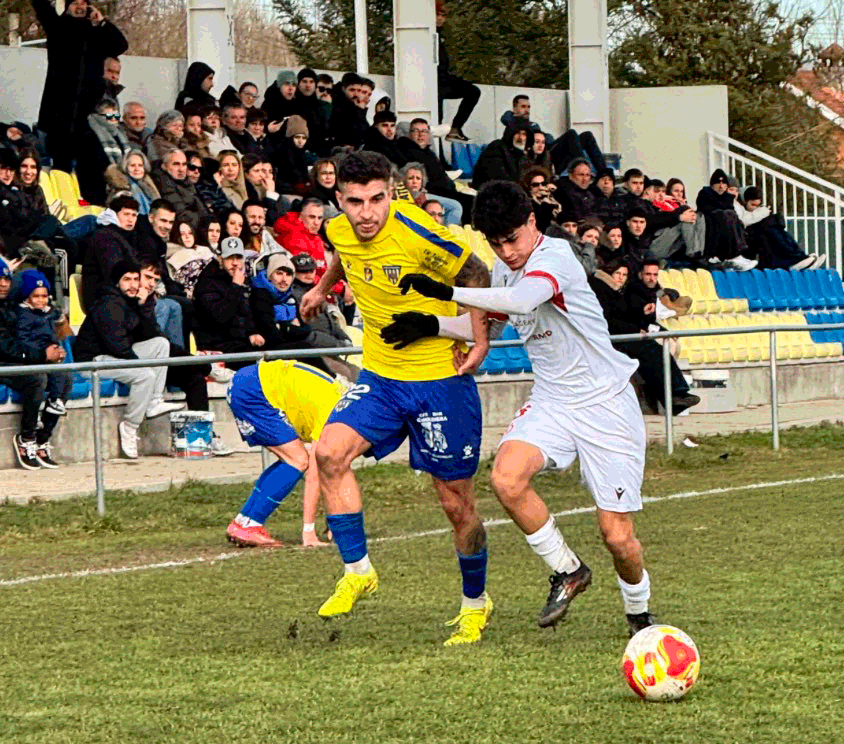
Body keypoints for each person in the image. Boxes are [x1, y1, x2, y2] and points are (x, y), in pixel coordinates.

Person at [380, 180, 659, 635]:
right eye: (495, 243)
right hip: (553, 400)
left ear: (532, 222)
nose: (506, 251)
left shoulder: (557, 258)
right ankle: (568, 570)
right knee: (506, 479)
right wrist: (429, 324)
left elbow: (523, 299)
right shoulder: (505, 270)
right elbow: (492, 317)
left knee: (618, 538)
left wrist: (445, 292)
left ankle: (639, 613)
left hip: (605, 402)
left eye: (512, 239)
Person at [299, 151, 493, 645]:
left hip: (439, 381)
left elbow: (476, 276)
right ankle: (359, 569)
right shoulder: (339, 229)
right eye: (355, 201)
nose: (367, 213)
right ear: (338, 199)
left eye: (377, 200)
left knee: (455, 503)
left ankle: (476, 604)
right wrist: (322, 287)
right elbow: (345, 253)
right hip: (381, 378)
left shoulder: (415, 232)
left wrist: (480, 340)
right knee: (327, 453)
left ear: (391, 192)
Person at [226, 359, 344, 547]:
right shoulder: (335, 414)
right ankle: (250, 524)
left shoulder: (340, 402)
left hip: (248, 382)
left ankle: (243, 522)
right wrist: (309, 532)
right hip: (254, 390)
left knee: (292, 459)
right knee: (298, 460)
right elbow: (315, 474)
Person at [73, 260, 185, 458]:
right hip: (93, 361)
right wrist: (138, 364)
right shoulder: (108, 302)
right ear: (117, 282)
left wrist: (141, 306)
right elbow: (117, 344)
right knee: (145, 375)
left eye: (135, 279)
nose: (133, 285)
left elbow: (150, 334)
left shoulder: (130, 301)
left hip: (114, 356)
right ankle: (130, 426)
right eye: (127, 280)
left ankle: (154, 401)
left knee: (160, 345)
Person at [135, 260, 233, 456]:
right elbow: (140, 335)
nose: (151, 283)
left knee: (194, 378)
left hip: (156, 361)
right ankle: (208, 368)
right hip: (134, 361)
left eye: (155, 279)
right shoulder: (125, 298)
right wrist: (140, 304)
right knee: (163, 344)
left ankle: (206, 436)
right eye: (147, 277)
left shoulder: (149, 301)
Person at [588, 258, 698, 414]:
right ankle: (673, 397)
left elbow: (634, 313)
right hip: (611, 338)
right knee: (652, 351)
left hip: (625, 335)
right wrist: (636, 328)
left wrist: (645, 314)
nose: (620, 277)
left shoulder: (620, 292)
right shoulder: (603, 291)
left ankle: (676, 395)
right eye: (617, 273)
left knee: (656, 350)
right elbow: (609, 320)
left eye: (624, 274)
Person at [31, 0, 128, 171]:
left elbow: (121, 45)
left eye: (83, 3)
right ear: (67, 6)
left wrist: (102, 22)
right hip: (59, 112)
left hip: (89, 113)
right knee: (61, 167)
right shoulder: (57, 27)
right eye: (75, 2)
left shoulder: (96, 33)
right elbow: (42, 7)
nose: (79, 6)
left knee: (88, 167)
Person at [0, 258, 66, 470]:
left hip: (16, 359)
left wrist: (55, 350)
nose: (3, 284)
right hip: (5, 362)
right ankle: (26, 438)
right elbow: (6, 347)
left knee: (63, 377)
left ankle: (42, 437)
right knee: (36, 378)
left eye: (6, 279)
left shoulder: (11, 305)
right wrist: (42, 355)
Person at [396, 117, 474, 220]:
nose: (420, 134)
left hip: (447, 190)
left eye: (424, 131)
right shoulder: (405, 150)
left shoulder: (429, 153)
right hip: (431, 192)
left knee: (474, 200)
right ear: (409, 134)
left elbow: (442, 174)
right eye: (416, 131)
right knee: (468, 203)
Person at [436, 2, 480, 142]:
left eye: (443, 15)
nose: (441, 19)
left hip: (442, 79)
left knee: (473, 91)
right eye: (438, 14)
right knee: (436, 122)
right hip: (434, 81)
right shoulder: (429, 35)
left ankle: (455, 128)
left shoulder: (439, 35)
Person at [76, 97, 132, 205]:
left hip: (121, 183)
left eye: (117, 116)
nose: (115, 119)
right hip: (98, 187)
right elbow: (99, 165)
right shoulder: (89, 136)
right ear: (98, 117)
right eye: (110, 116)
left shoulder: (120, 134)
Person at [152, 149, 210, 228]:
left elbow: (202, 209)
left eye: (184, 164)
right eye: (176, 164)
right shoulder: (164, 183)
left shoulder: (185, 182)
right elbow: (182, 216)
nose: (181, 169)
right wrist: (207, 223)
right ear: (165, 166)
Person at [471, 121, 533, 190]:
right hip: (489, 192)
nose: (520, 137)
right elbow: (497, 176)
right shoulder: (496, 147)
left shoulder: (522, 156)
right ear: (510, 134)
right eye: (517, 133)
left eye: (524, 134)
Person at [399, 162, 463, 226]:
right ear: (404, 180)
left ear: (422, 182)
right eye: (410, 178)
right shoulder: (397, 194)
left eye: (418, 178)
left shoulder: (423, 197)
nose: (415, 181)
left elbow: (455, 207)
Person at [104, 150, 161, 214]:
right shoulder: (120, 189)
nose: (137, 169)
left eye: (140, 165)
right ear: (125, 167)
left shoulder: (148, 186)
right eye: (132, 165)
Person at [555, 158, 597, 223]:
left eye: (587, 175)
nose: (584, 179)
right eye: (581, 175)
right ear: (571, 175)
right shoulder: (563, 192)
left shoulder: (591, 193)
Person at [521, 165, 561, 233]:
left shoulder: (553, 200)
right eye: (535, 185)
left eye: (543, 184)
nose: (540, 187)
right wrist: (545, 205)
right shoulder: (527, 204)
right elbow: (541, 224)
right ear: (529, 187)